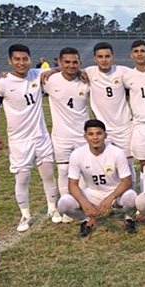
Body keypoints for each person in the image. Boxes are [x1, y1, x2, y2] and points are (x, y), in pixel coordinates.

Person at [0, 44, 61, 231]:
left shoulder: (37, 74)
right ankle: (25, 216)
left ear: (30, 59)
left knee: (48, 176)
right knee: (22, 179)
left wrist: (53, 70)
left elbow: (66, 67)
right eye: (17, 59)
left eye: (25, 59)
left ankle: (53, 209)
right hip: (18, 141)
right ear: (9, 61)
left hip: (41, 137)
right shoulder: (0, 83)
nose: (21, 63)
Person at [57, 120, 137, 238]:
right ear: (85, 137)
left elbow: (126, 181)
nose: (95, 137)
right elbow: (72, 184)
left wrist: (110, 198)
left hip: (114, 193)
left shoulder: (117, 152)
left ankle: (128, 218)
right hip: (91, 193)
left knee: (131, 197)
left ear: (105, 135)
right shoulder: (77, 154)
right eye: (91, 134)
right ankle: (86, 219)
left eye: (99, 133)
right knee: (63, 203)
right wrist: (83, 202)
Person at [43, 47, 90, 223]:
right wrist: (53, 70)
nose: (71, 65)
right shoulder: (49, 79)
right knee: (63, 170)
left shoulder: (86, 80)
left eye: (75, 62)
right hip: (61, 136)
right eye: (67, 62)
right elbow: (24, 76)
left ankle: (83, 204)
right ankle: (66, 207)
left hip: (82, 136)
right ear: (60, 62)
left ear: (80, 63)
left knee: (84, 171)